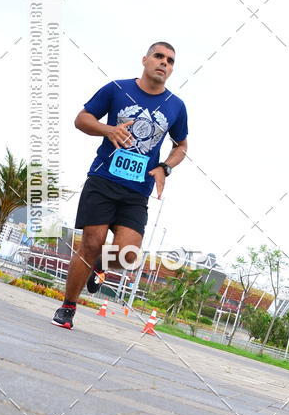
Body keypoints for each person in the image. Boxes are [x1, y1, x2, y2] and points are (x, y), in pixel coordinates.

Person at [52, 41, 188, 328]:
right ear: (145, 60)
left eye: (171, 61)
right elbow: (82, 119)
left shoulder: (176, 106)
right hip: (103, 179)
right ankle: (68, 307)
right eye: (159, 56)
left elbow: (181, 146)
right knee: (91, 243)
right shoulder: (116, 89)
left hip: (137, 191)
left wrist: (165, 167)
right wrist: (108, 129)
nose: (164, 63)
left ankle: (98, 265)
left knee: (128, 256)